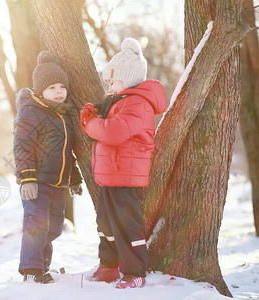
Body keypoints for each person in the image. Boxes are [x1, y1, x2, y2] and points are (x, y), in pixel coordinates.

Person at [80, 38, 167, 289]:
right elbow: (109, 124)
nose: (108, 86)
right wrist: (96, 113)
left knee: (127, 225)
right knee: (105, 223)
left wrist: (90, 124)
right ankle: (109, 266)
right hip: (111, 175)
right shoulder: (121, 102)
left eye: (113, 81)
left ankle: (134, 272)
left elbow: (115, 132)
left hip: (126, 176)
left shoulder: (137, 104)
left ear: (127, 79)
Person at [13, 50, 83, 284]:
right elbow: (22, 145)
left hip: (57, 183)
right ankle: (31, 271)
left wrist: (74, 178)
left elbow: (68, 152)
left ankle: (43, 265)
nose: (59, 91)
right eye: (52, 87)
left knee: (53, 228)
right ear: (40, 90)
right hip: (37, 182)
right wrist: (27, 177)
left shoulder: (62, 116)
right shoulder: (31, 111)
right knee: (36, 225)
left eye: (62, 87)